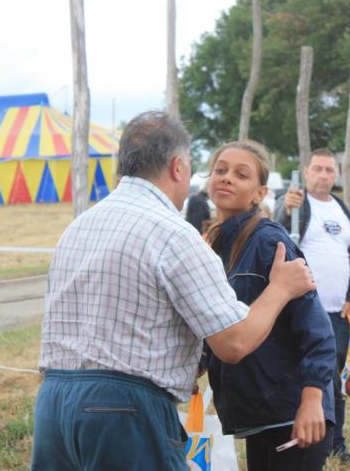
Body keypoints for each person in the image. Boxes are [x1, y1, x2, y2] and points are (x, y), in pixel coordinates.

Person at [31, 111, 317, 471]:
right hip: (124, 410)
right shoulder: (173, 234)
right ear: (178, 167)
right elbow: (233, 343)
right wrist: (280, 289)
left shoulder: (78, 227)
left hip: (53, 405)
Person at [204, 140, 336, 470]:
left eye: (241, 174)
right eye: (220, 170)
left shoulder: (269, 242)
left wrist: (312, 399)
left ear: (259, 193)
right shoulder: (213, 246)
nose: (227, 178)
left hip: (293, 414)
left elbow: (317, 329)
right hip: (258, 415)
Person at [274, 148, 350, 465]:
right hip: (302, 311)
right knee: (302, 377)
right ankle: (297, 439)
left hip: (336, 314)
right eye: (317, 169)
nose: (323, 175)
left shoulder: (341, 209)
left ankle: (335, 444)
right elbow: (279, 231)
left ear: (337, 174)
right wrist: (286, 209)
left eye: (329, 170)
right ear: (306, 170)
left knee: (333, 379)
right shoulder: (299, 205)